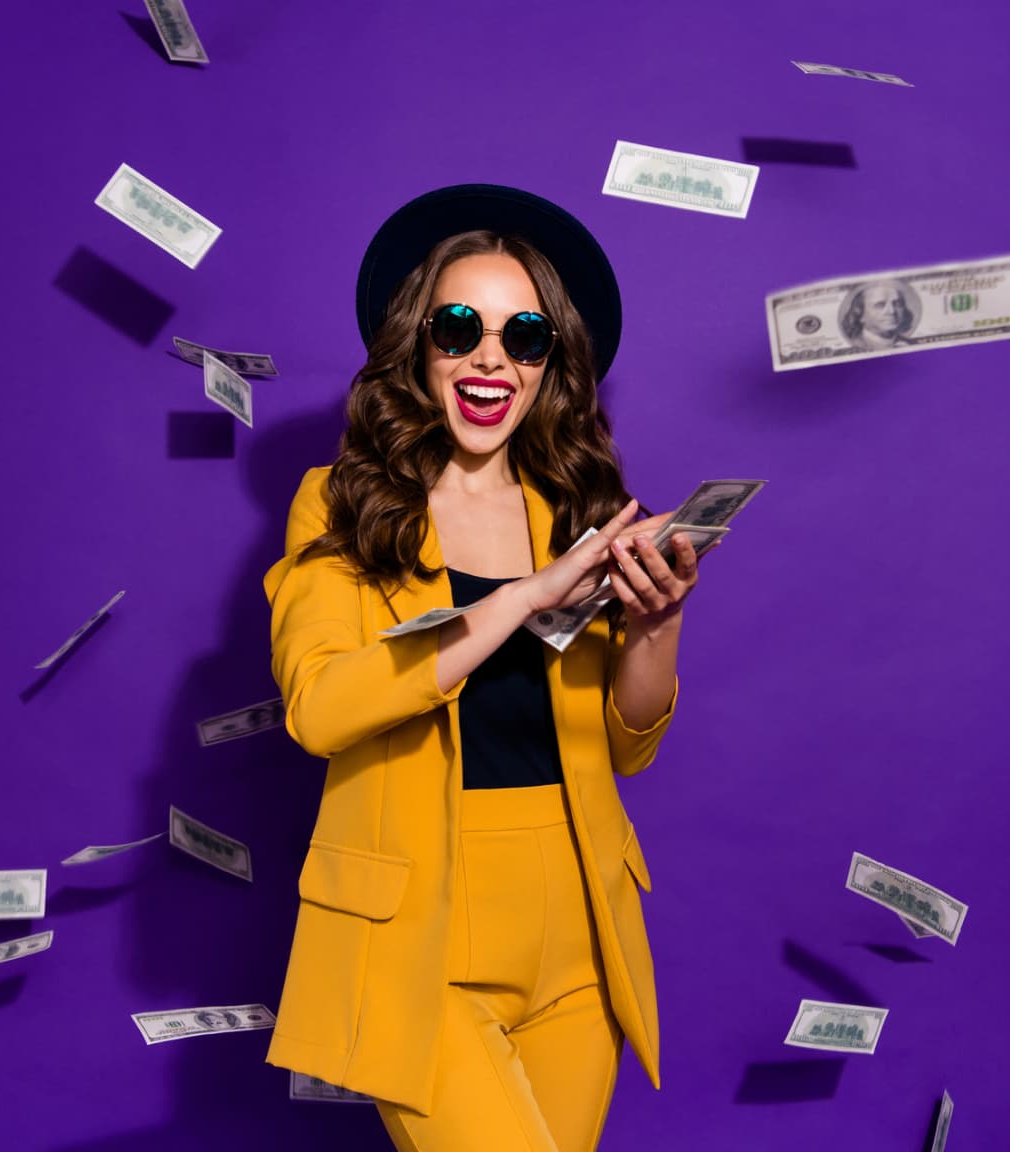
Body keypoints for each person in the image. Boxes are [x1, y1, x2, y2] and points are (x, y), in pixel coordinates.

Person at [260, 184, 708, 1150]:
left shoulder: (580, 513)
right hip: (420, 932)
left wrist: (657, 623)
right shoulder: (341, 506)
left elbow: (627, 749)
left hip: (579, 929)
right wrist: (514, 599)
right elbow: (320, 707)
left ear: (552, 366)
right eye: (459, 327)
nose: (491, 358)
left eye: (526, 337)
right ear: (416, 345)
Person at [839, 279, 921, 349]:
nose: (892, 311)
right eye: (880, 305)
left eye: (897, 304)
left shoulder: (908, 343)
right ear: (860, 314)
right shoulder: (856, 344)